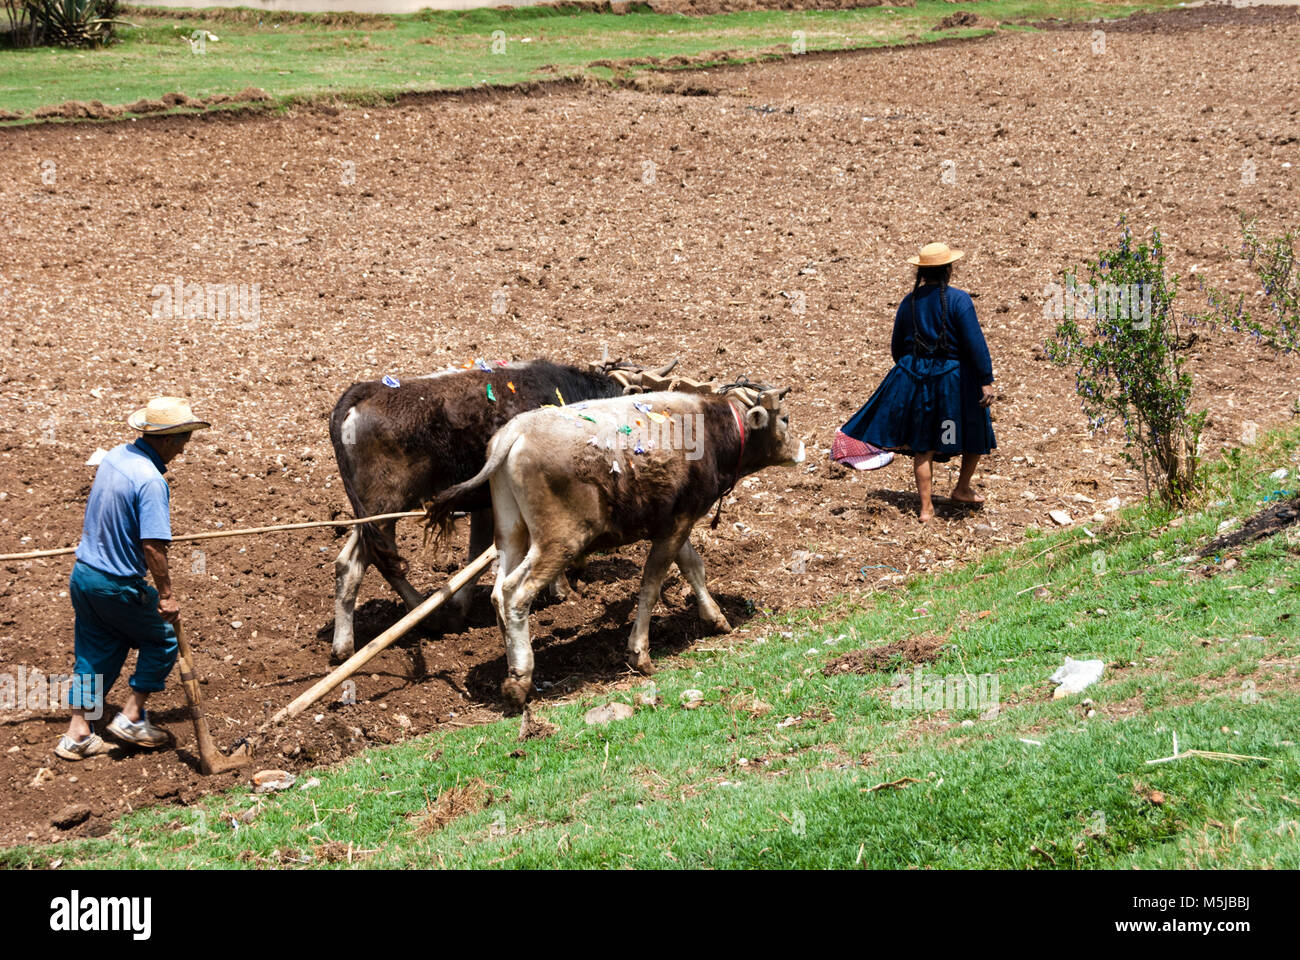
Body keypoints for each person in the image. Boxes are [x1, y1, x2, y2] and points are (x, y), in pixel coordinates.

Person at [55, 397, 210, 761]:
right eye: (185, 438)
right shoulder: (151, 481)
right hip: (115, 584)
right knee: (163, 638)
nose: (186, 447)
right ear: (169, 439)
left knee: (94, 652)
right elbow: (154, 547)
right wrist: (166, 594)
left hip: (84, 576)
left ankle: (77, 734)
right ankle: (133, 715)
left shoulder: (114, 457)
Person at [840, 242, 995, 522]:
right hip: (952, 382)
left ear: (922, 273)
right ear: (949, 270)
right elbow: (975, 344)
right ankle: (961, 488)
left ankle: (926, 509)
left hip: (914, 377)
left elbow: (897, 349)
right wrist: (985, 379)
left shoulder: (909, 303)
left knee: (924, 442)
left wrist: (913, 370)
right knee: (973, 430)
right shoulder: (959, 301)